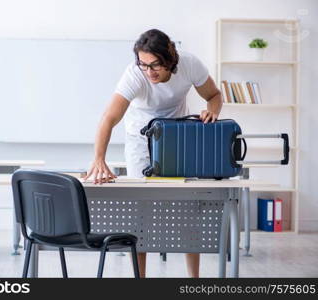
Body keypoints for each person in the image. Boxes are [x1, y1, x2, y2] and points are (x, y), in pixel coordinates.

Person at [84, 29, 222, 278]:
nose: (149, 72)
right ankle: (141, 279)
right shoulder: (134, 74)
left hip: (178, 138)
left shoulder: (189, 64)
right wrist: (99, 158)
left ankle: (194, 279)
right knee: (141, 214)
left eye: (155, 65)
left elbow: (213, 95)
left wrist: (212, 111)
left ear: (170, 59)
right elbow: (109, 117)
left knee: (188, 211)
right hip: (140, 141)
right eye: (144, 65)